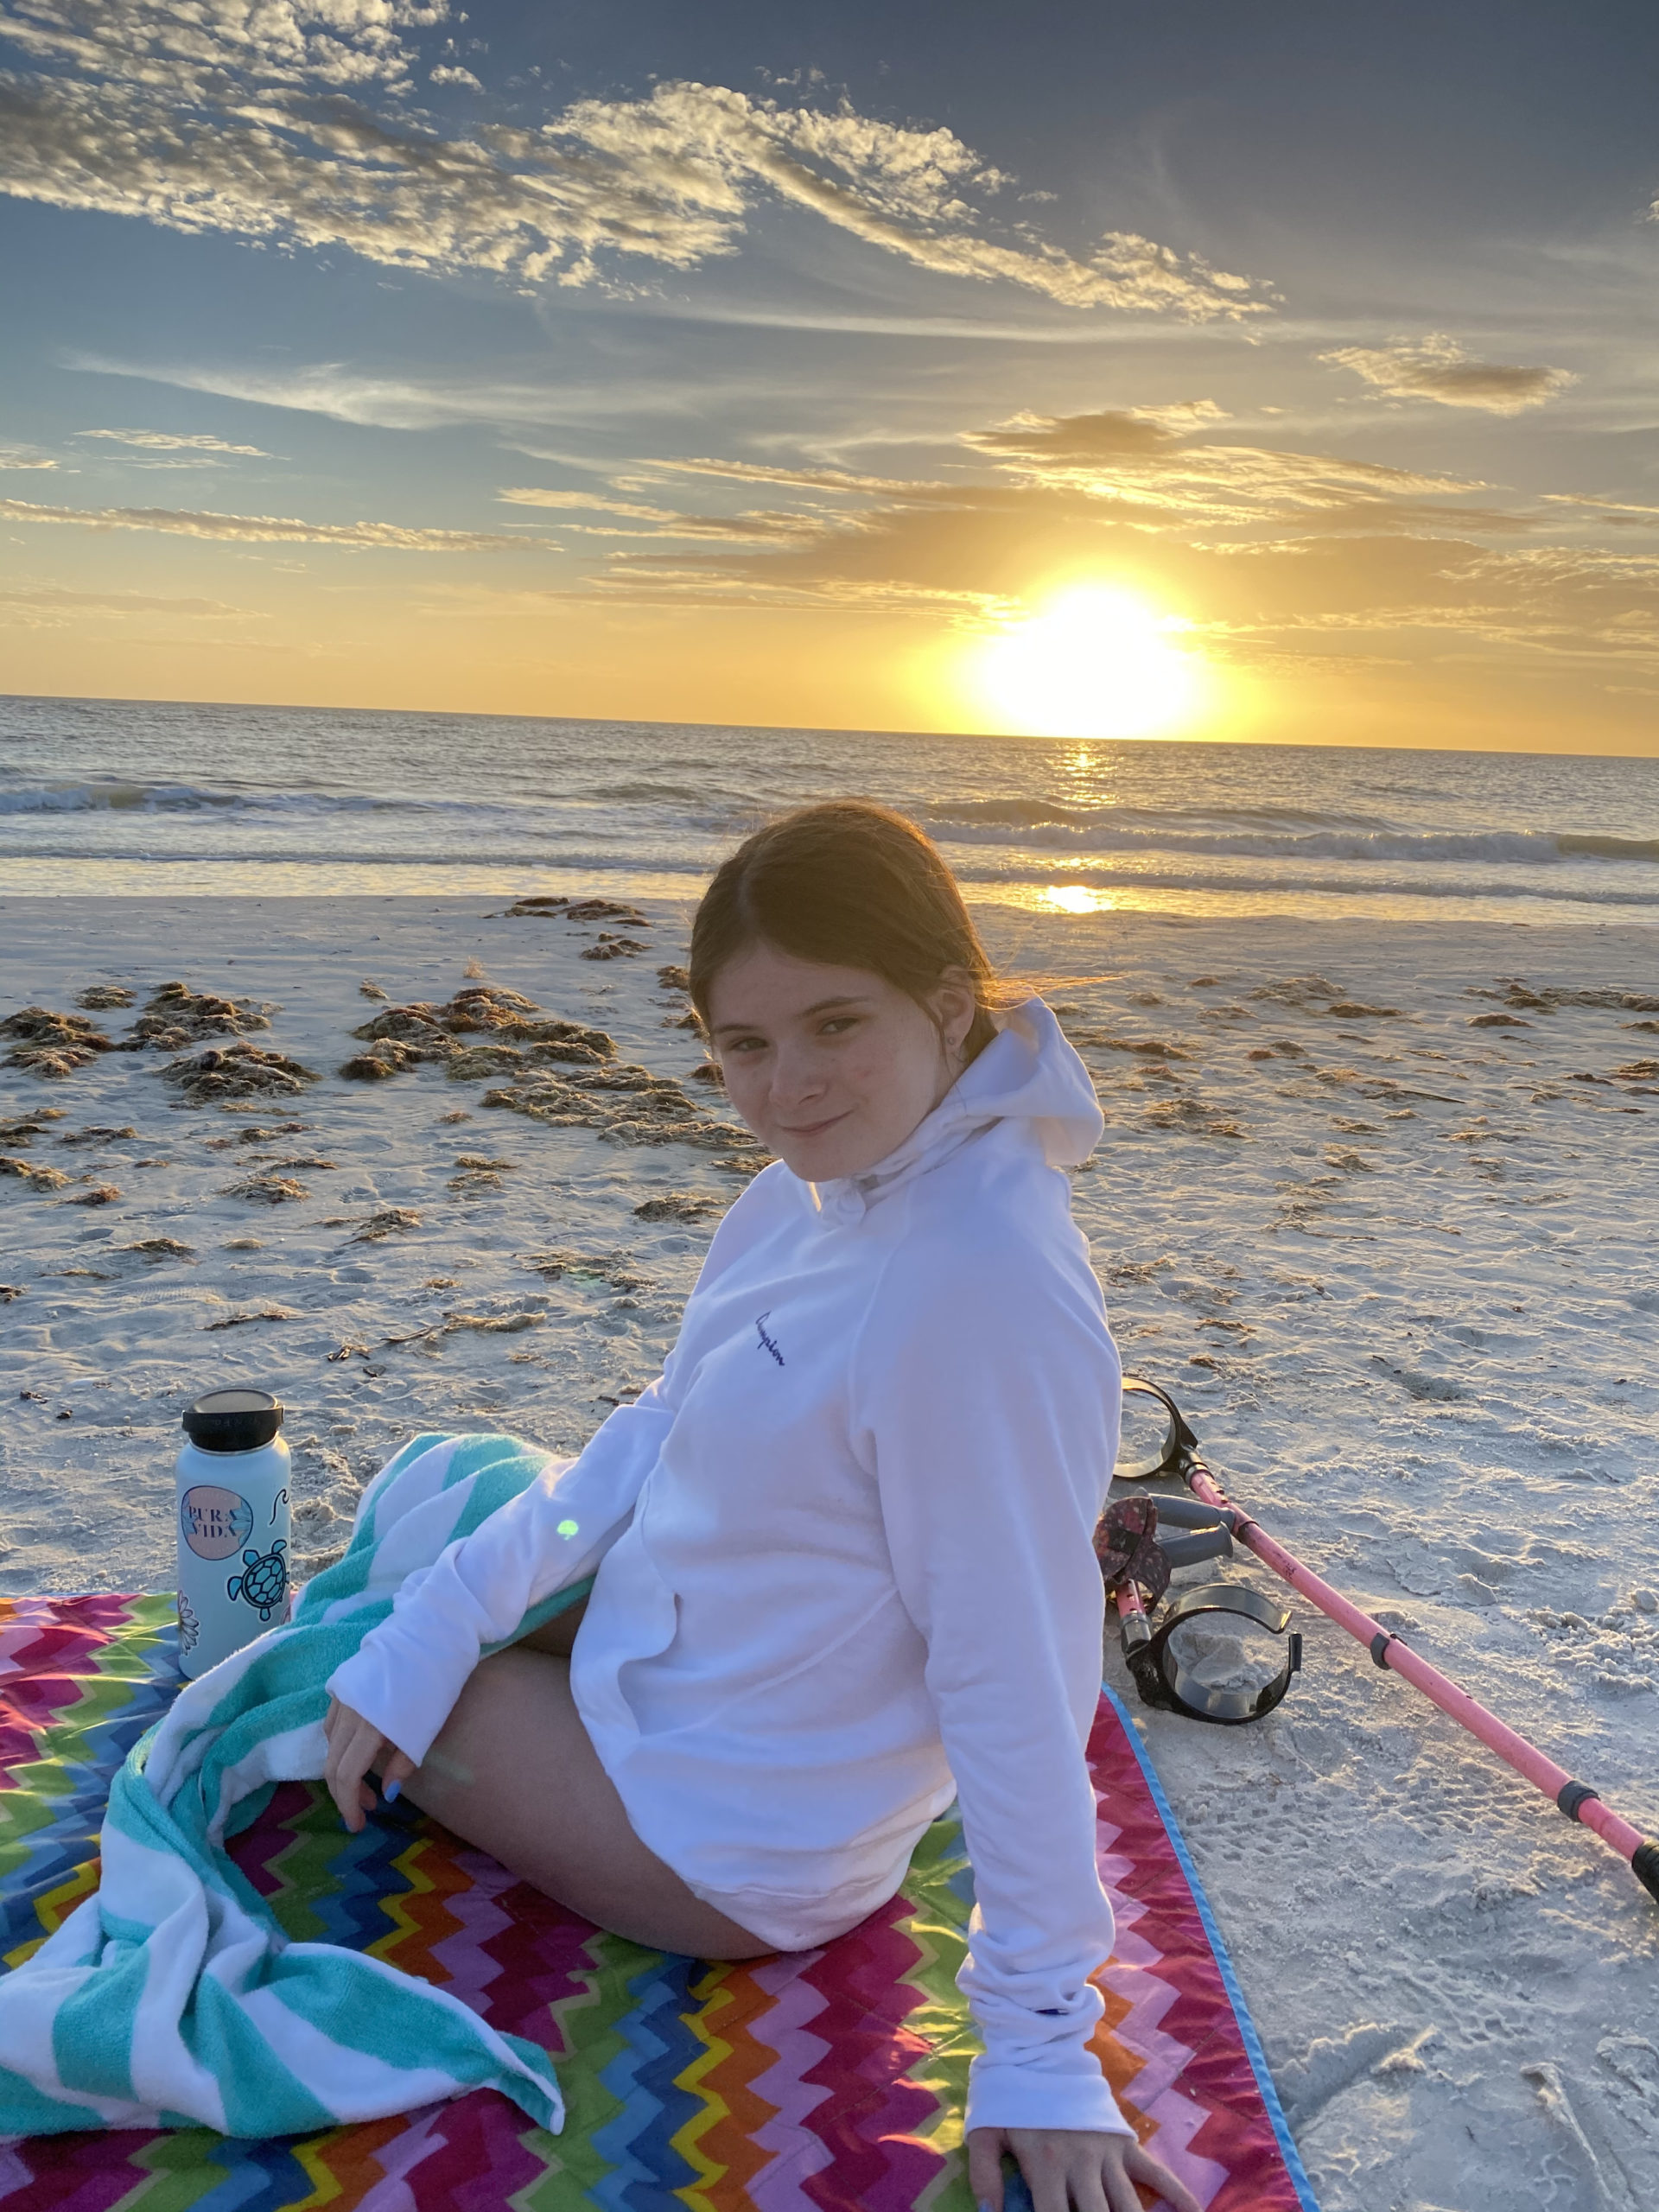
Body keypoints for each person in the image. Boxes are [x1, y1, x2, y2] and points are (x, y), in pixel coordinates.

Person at [323, 799, 1201, 2212]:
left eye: (834, 1025)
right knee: (438, 1548)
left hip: (731, 1837)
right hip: (698, 1647)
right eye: (743, 1044)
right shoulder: (815, 1188)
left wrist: (1043, 2039)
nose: (786, 1088)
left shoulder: (977, 1286)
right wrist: (446, 1614)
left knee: (369, 1679)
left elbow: (1015, 1663)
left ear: (945, 1002)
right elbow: (655, 1427)